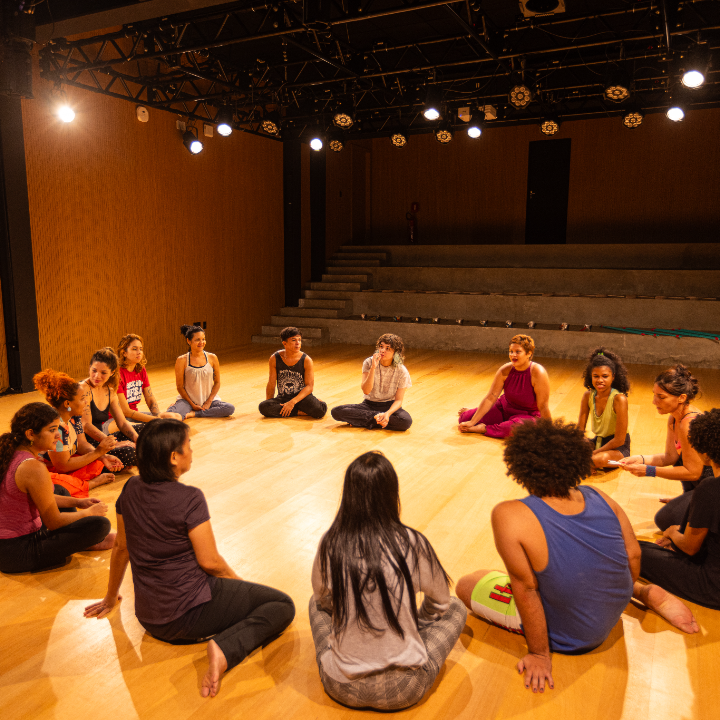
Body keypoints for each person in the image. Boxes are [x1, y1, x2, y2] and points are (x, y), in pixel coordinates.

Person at [84, 419, 294, 698]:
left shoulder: (130, 488)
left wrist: (111, 597)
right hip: (187, 615)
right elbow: (211, 563)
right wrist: (239, 586)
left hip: (149, 618)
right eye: (188, 445)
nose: (192, 451)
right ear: (174, 457)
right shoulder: (189, 498)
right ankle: (224, 649)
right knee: (281, 605)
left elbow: (122, 547)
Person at [456, 419, 639, 693]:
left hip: (572, 634)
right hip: (611, 614)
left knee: (468, 583)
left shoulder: (508, 513)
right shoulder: (600, 495)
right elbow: (633, 556)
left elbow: (526, 588)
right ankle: (644, 592)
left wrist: (539, 654)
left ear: (520, 467)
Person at [310, 451, 467, 711]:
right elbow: (440, 602)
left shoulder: (331, 542)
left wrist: (350, 618)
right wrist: (416, 624)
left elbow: (323, 598)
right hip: (403, 689)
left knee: (314, 605)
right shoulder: (413, 542)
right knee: (457, 607)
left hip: (341, 686)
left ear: (348, 494)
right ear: (392, 493)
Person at [0, 403, 114, 574]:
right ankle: (84, 541)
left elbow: (40, 497)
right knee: (100, 525)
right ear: (30, 434)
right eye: (52, 430)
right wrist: (88, 513)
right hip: (18, 553)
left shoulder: (12, 452)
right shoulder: (32, 467)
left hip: (7, 546)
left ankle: (77, 536)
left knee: (59, 490)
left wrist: (78, 502)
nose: (58, 435)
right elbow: (53, 522)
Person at [635, 409, 720, 620]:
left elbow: (690, 547)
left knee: (633, 549)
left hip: (712, 587)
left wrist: (673, 533)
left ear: (706, 453)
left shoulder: (710, 489)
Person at [619, 364, 713, 531]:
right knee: (669, 518)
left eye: (661, 397)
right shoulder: (674, 418)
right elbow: (670, 457)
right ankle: (689, 499)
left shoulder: (689, 423)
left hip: (712, 490)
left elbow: (693, 472)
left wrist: (649, 471)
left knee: (664, 520)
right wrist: (639, 459)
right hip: (700, 487)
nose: (654, 401)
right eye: (654, 395)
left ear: (681, 398)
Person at [33, 369, 122, 497]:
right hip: (47, 468)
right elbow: (62, 466)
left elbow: (81, 444)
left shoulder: (74, 416)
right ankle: (89, 484)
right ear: (67, 403)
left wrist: (102, 456)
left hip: (64, 462)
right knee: (54, 486)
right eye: (82, 399)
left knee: (97, 463)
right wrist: (98, 452)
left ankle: (79, 481)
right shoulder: (56, 428)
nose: (86, 402)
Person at [458, 334, 551, 437]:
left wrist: (550, 430)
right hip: (504, 408)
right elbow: (490, 398)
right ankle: (477, 413)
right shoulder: (505, 369)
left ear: (529, 353)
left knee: (515, 429)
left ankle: (484, 429)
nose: (513, 355)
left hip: (527, 416)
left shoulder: (538, 372)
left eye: (518, 352)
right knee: (464, 419)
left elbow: (543, 406)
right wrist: (472, 422)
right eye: (511, 351)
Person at [330, 334, 412, 431]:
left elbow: (398, 401)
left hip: (389, 406)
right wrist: (373, 367)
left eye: (388, 348)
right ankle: (378, 420)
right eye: (381, 347)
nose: (382, 350)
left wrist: (387, 414)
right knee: (336, 411)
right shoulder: (368, 362)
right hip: (369, 405)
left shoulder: (402, 370)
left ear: (396, 353)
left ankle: (365, 421)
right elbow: (366, 391)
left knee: (405, 421)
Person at [81, 348, 142, 469]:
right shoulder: (83, 388)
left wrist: (137, 439)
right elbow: (86, 425)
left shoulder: (110, 391)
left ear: (112, 372)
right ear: (89, 367)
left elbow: (122, 423)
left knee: (146, 429)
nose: (97, 376)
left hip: (104, 438)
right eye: (94, 370)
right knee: (131, 453)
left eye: (103, 373)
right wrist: (115, 443)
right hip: (88, 445)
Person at [577, 348, 631, 469]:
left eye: (605, 376)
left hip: (618, 448)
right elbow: (579, 431)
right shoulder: (588, 396)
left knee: (599, 459)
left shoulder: (619, 399)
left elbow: (619, 440)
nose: (600, 380)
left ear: (613, 377)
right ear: (590, 376)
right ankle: (588, 464)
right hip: (598, 442)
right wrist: (582, 445)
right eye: (596, 376)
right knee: (564, 449)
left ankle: (590, 464)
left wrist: (594, 453)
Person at [166, 325, 235, 420]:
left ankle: (194, 414)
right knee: (171, 416)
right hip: (188, 401)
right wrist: (192, 404)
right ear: (188, 341)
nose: (201, 342)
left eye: (203, 339)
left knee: (229, 408)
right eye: (197, 340)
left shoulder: (212, 358)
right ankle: (177, 408)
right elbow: (179, 386)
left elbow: (217, 383)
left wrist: (209, 401)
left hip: (209, 401)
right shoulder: (181, 360)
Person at [112, 333, 182, 425]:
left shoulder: (141, 369)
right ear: (124, 353)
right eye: (134, 349)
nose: (139, 352)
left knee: (176, 417)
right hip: (119, 419)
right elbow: (126, 411)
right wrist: (156, 421)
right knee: (156, 425)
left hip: (134, 415)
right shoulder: (118, 374)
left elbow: (150, 398)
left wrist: (157, 416)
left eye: (141, 349)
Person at [258, 327, 327, 419]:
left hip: (302, 398)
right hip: (283, 397)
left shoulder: (306, 360)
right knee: (263, 407)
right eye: (294, 340)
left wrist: (292, 402)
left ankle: (294, 409)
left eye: (299, 340)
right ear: (284, 343)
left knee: (319, 411)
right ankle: (299, 412)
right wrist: (269, 403)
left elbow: (309, 387)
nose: (298, 343)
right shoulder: (274, 358)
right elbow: (271, 383)